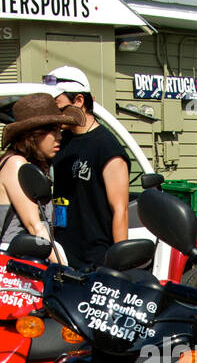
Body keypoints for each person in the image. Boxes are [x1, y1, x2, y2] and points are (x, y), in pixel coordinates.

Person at [43, 65, 131, 266]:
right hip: (62, 253)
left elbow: (121, 210)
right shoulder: (61, 141)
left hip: (96, 258)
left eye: (58, 104)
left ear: (79, 101)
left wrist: (120, 267)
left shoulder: (106, 146)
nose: (54, 112)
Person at [0, 92, 83, 257]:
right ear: (33, 134)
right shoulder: (15, 164)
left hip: (30, 262)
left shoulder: (28, 164)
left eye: (59, 130)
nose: (59, 137)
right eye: (53, 131)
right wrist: (63, 271)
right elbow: (35, 227)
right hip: (16, 267)